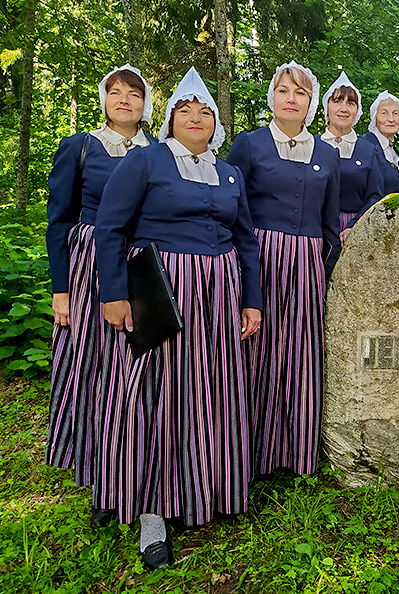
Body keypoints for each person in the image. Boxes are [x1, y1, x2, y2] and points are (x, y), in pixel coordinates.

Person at [95, 67, 262, 569]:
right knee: (157, 396)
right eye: (185, 110)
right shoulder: (146, 161)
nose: (196, 117)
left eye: (205, 111)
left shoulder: (228, 171)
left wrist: (251, 298)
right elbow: (109, 227)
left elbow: (245, 238)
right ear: (168, 119)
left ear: (216, 124)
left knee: (209, 392)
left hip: (219, 293)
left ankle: (199, 490)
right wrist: (115, 295)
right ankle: (150, 513)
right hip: (163, 289)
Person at [45, 64, 155, 520]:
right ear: (104, 98)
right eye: (115, 92)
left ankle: (143, 468)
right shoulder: (81, 146)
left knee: (141, 370)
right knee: (99, 372)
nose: (124, 99)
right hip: (92, 262)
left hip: (144, 263)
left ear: (146, 102)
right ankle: (102, 478)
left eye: (134, 92)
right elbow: (59, 220)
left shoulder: (161, 151)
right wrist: (62, 289)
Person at [226, 61, 340, 479]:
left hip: (307, 264)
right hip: (258, 257)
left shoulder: (327, 153)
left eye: (301, 94)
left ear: (312, 103)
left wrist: (325, 270)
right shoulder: (249, 145)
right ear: (272, 97)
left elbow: (330, 224)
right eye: (284, 92)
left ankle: (292, 451)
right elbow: (233, 211)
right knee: (254, 351)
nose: (292, 100)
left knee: (299, 354)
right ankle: (247, 452)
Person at [319, 72, 385, 244]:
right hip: (314, 228)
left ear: (357, 110)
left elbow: (374, 196)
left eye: (350, 103)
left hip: (355, 230)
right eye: (337, 101)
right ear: (327, 107)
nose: (344, 108)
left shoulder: (370, 151)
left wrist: (354, 226)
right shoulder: (311, 146)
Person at [360, 91, 399, 196]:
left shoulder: (394, 151)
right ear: (375, 117)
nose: (391, 119)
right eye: (384, 113)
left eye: (395, 113)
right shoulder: (364, 145)